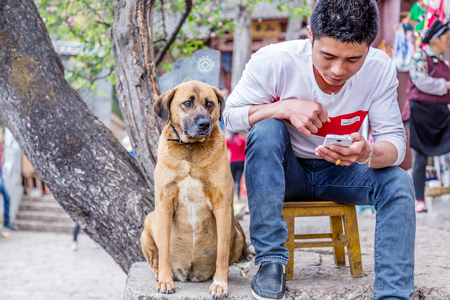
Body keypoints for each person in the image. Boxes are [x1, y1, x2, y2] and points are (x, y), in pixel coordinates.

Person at [223, 1, 415, 299]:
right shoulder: (274, 60)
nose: (338, 70)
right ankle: (271, 262)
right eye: (327, 56)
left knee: (399, 182)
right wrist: (283, 107)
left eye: (353, 59)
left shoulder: (380, 68)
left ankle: (392, 294)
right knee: (267, 128)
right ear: (310, 36)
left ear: (369, 46)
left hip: (340, 173)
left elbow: (395, 144)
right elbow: (230, 117)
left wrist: (367, 153)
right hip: (284, 173)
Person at [402, 20, 450, 213]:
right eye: (446, 38)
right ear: (436, 39)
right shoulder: (420, 56)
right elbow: (421, 82)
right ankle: (418, 200)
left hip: (439, 113)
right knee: (420, 155)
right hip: (418, 112)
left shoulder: (444, 62)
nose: (448, 42)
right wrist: (446, 85)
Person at [0, 129, 18, 231]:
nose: (1, 136)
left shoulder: (1, 147)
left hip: (1, 175)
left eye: (2, 135)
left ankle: (6, 221)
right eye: (0, 135)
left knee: (7, 196)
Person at [226, 132, 246, 200]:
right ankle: (238, 196)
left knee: (232, 180)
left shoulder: (229, 140)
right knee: (239, 179)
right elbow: (244, 151)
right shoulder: (242, 139)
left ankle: (232, 196)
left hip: (233, 162)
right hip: (241, 162)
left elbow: (226, 148)